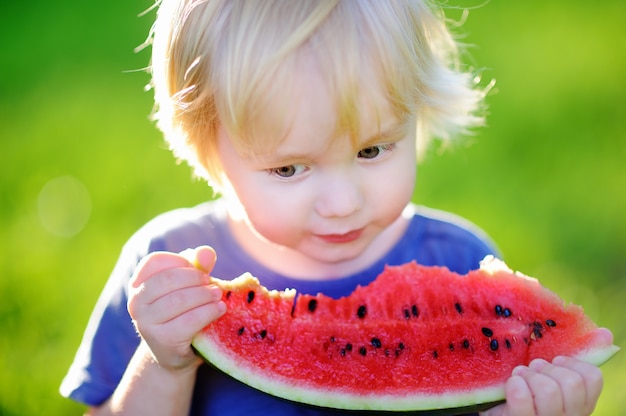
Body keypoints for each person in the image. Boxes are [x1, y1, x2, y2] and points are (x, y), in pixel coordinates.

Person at [60, 1, 607, 415]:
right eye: (288, 169)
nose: (343, 204)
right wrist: (162, 364)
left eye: (372, 150)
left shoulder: (464, 261)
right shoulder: (164, 270)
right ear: (209, 154)